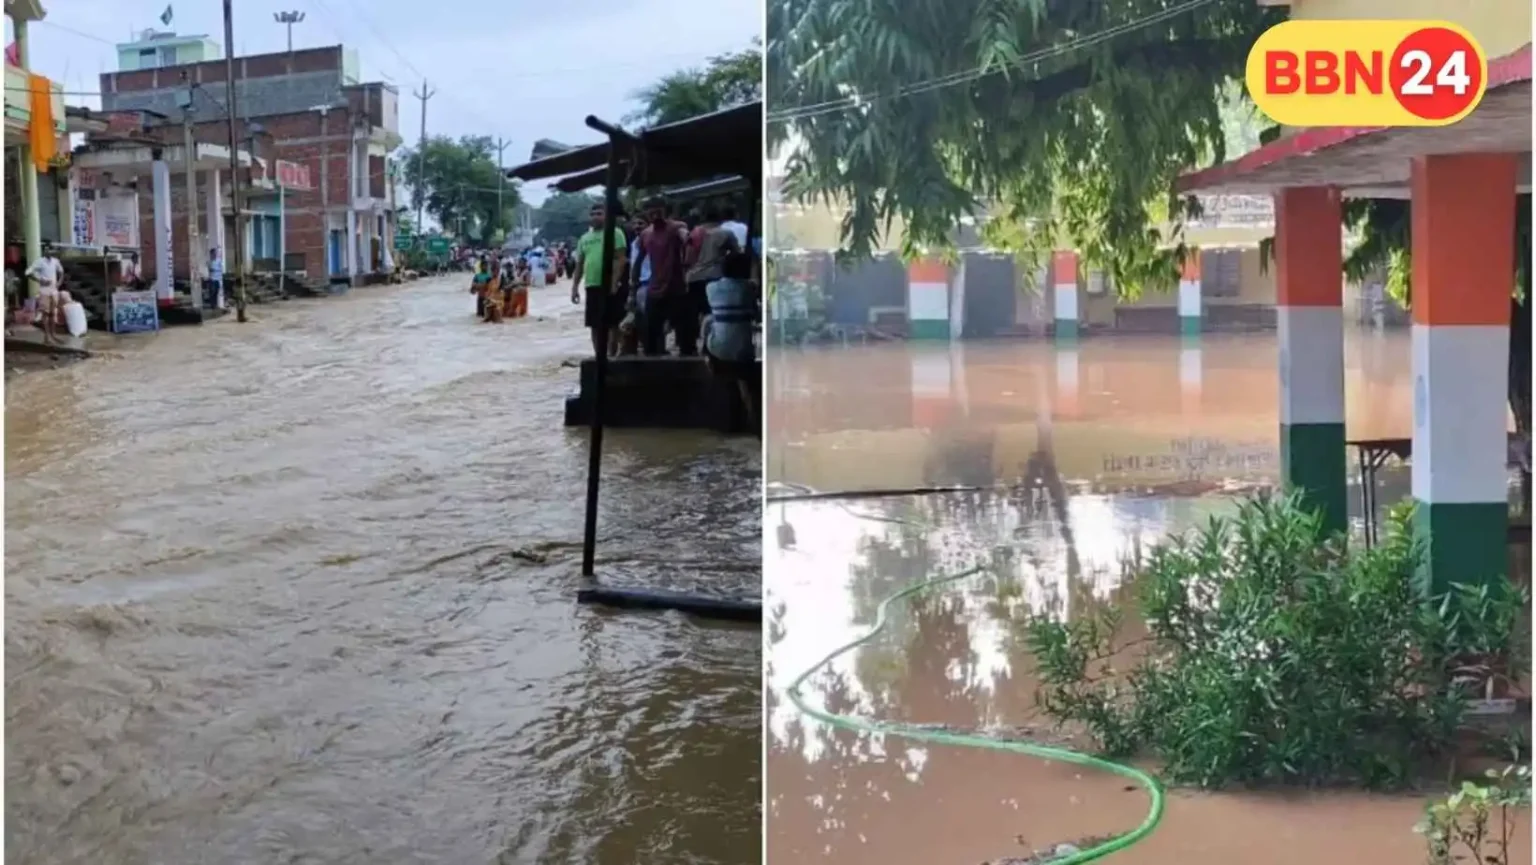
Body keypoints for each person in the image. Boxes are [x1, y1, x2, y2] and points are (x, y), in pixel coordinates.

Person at [702, 250, 760, 433]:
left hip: (717, 348)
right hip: (742, 349)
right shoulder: (748, 288)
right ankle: (754, 422)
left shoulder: (711, 287)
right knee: (748, 388)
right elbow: (754, 315)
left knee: (708, 323)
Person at [631, 198, 692, 356]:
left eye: (658, 209)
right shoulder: (645, 234)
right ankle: (653, 365)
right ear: (646, 213)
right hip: (654, 289)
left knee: (684, 334)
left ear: (665, 210)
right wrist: (633, 288)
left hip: (676, 288)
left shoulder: (676, 227)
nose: (654, 213)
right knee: (651, 333)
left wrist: (687, 239)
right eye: (650, 210)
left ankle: (687, 363)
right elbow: (637, 262)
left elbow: (684, 235)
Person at [571, 203, 629, 357]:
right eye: (593, 214)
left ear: (606, 216)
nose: (596, 217)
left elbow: (621, 259)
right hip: (591, 285)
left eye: (599, 213)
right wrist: (575, 288)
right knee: (594, 324)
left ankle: (611, 354)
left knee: (612, 323)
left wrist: (615, 281)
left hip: (610, 285)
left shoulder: (616, 233)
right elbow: (580, 264)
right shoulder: (584, 238)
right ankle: (599, 356)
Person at [685, 207, 741, 338]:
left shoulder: (694, 233)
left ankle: (692, 344)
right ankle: (711, 341)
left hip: (694, 278)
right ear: (720, 219)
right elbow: (736, 255)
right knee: (712, 312)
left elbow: (687, 258)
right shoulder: (725, 234)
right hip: (715, 277)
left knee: (694, 313)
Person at [25, 243, 64, 344]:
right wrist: (39, 280)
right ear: (43, 251)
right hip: (44, 292)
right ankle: (46, 336)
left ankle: (53, 334)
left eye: (50, 250)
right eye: (46, 250)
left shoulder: (55, 261)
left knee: (53, 313)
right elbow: (28, 273)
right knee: (45, 314)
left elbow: (61, 272)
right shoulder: (39, 262)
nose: (48, 252)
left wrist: (59, 282)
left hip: (53, 292)